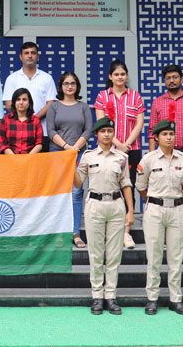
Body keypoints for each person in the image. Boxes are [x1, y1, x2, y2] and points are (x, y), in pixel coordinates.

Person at [136, 106, 183, 316]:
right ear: (157, 137)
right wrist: (155, 201)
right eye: (165, 134)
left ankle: (175, 299)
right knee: (153, 257)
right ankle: (152, 298)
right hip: (155, 210)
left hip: (177, 210)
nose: (169, 137)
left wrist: (176, 201)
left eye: (171, 134)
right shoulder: (148, 159)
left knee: (175, 257)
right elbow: (141, 186)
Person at [74, 115, 134, 315]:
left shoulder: (121, 157)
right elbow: (78, 182)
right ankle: (97, 296)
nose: (107, 134)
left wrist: (130, 211)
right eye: (103, 131)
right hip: (95, 205)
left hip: (116, 204)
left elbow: (126, 184)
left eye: (110, 131)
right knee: (96, 253)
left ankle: (111, 296)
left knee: (114, 254)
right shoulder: (88, 156)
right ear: (96, 135)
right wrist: (69, 165)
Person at [147, 64, 183, 249]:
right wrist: (152, 155)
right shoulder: (158, 102)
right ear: (164, 81)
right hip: (163, 154)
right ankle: (165, 236)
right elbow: (152, 130)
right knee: (164, 193)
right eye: (168, 78)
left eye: (174, 77)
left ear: (181, 79)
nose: (171, 81)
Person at [94, 59, 145, 250]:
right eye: (116, 74)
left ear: (127, 75)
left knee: (128, 188)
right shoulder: (102, 96)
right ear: (110, 76)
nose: (120, 77)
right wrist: (117, 144)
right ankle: (109, 231)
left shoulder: (135, 96)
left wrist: (126, 144)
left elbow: (139, 123)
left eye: (123, 74)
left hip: (131, 149)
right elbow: (101, 124)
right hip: (108, 149)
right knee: (107, 188)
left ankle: (126, 232)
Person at [47, 72, 94, 248]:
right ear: (61, 86)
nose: (69, 86)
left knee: (76, 192)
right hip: (58, 153)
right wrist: (67, 147)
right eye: (66, 83)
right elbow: (50, 131)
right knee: (59, 193)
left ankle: (75, 232)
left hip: (79, 153)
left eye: (73, 83)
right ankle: (59, 232)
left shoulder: (83, 107)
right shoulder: (54, 107)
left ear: (77, 86)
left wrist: (75, 148)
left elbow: (88, 130)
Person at [3, 42, 57, 150]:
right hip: (17, 133)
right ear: (20, 56)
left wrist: (33, 120)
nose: (30, 56)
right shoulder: (12, 78)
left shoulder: (47, 78)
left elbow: (51, 104)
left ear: (38, 56)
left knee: (41, 161)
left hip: (43, 132)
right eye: (26, 53)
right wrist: (24, 120)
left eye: (33, 53)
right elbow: (9, 104)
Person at [0, 88, 43, 155]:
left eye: (24, 99)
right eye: (18, 99)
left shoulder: (35, 121)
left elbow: (39, 143)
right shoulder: (6, 120)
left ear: (29, 103)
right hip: (10, 158)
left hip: (31, 158)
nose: (21, 102)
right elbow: (3, 143)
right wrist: (14, 158)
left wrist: (27, 158)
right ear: (14, 102)